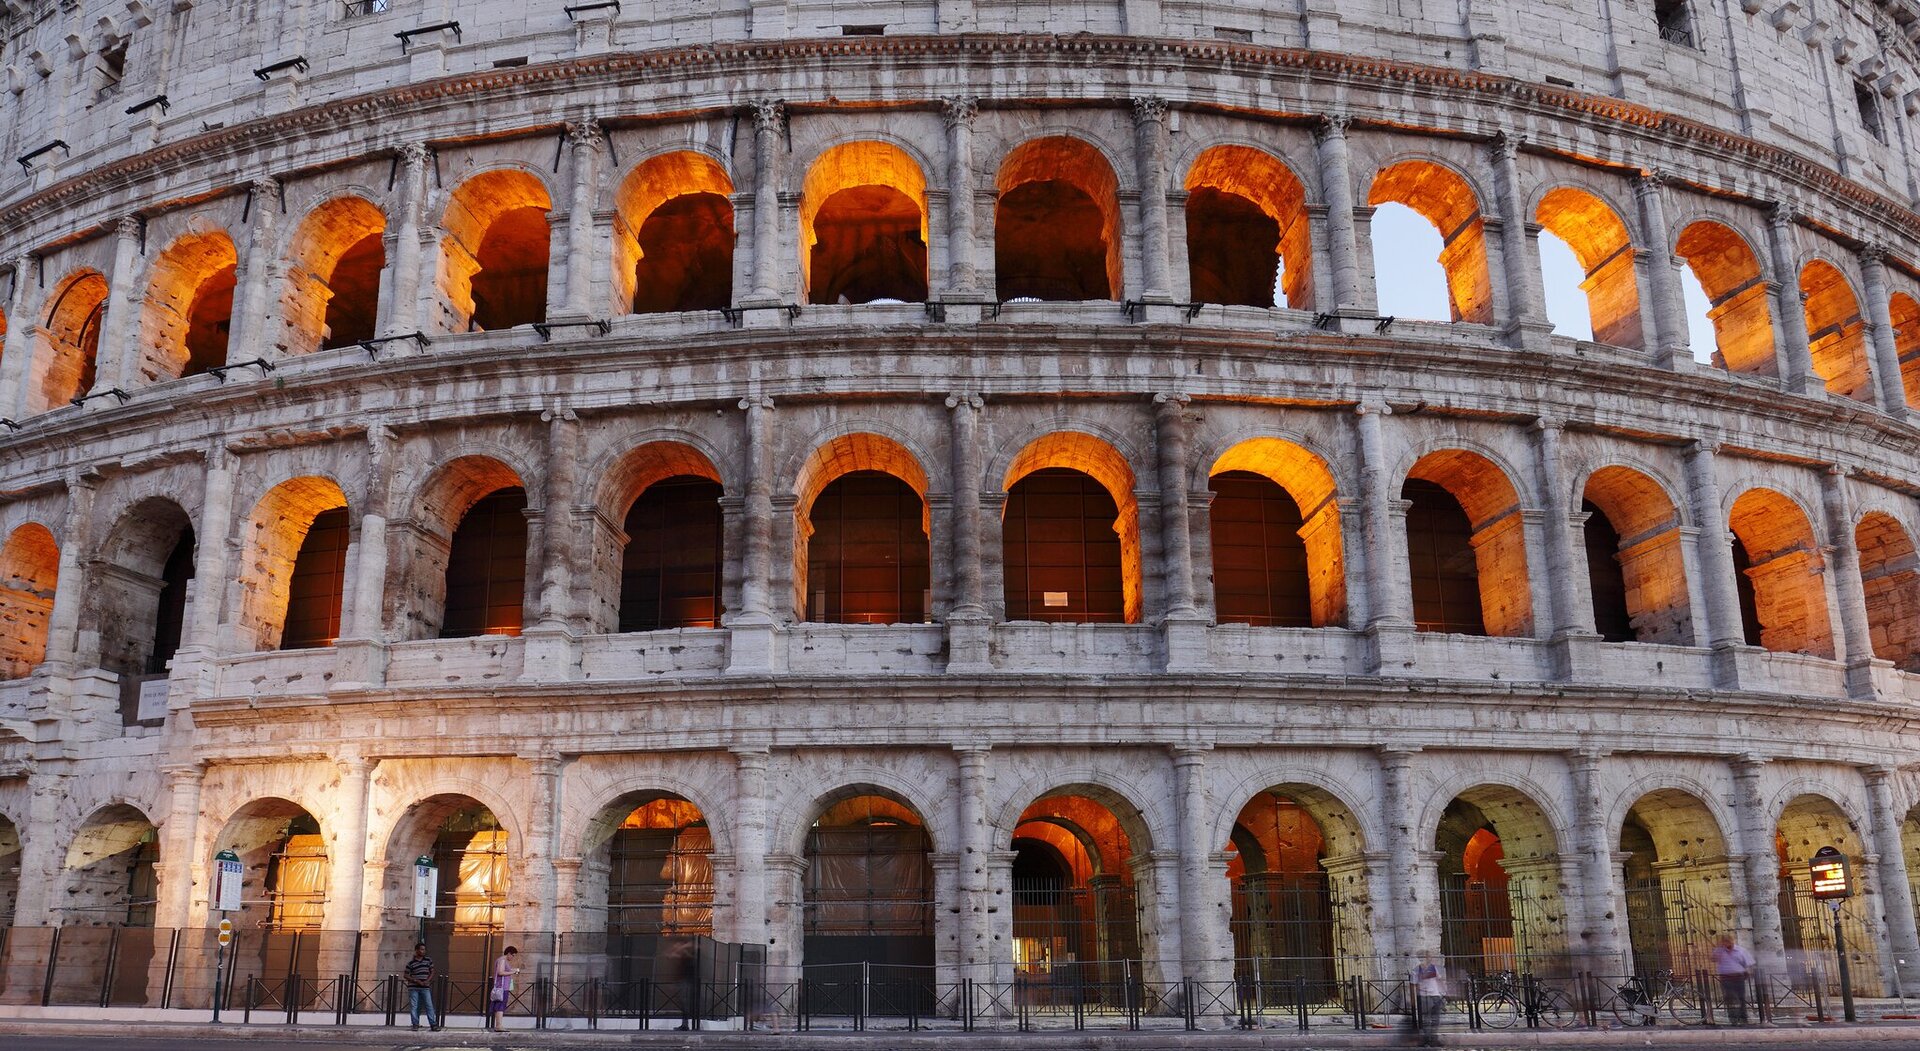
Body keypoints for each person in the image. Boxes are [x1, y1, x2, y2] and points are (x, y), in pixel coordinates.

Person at [1712, 933, 1755, 1025]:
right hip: (1726, 978)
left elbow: (1749, 963)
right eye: (1725, 942)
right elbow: (1713, 959)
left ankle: (1743, 1018)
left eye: (1728, 941)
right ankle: (1733, 1019)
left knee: (1741, 998)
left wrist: (1748, 972)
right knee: (1730, 998)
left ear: (1732, 941)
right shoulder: (1719, 951)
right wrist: (1718, 950)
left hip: (1738, 977)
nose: (1727, 944)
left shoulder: (1740, 951)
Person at [404, 942, 440, 1031]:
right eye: (421, 949)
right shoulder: (411, 963)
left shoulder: (428, 960)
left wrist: (427, 981)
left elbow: (432, 971)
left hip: (425, 987)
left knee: (429, 1005)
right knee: (414, 1006)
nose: (423, 951)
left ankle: (433, 1024)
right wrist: (416, 980)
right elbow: (406, 975)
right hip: (413, 987)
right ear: (417, 950)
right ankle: (415, 1024)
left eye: (424, 949)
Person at [1412, 953, 1445, 1047]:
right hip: (1424, 996)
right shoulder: (1417, 970)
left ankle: (1434, 1039)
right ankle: (1427, 1040)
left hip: (1435, 995)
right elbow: (1413, 985)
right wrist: (1413, 999)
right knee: (1426, 1020)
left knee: (1436, 1020)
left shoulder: (1434, 968)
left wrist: (1443, 991)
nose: (1430, 959)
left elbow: (1439, 980)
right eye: (1428, 957)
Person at [489, 945, 520, 1031]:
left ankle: (498, 1025)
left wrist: (512, 970)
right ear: (509, 953)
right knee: (500, 1005)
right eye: (513, 955)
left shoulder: (502, 960)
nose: (513, 957)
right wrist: (513, 972)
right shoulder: (502, 960)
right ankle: (499, 1026)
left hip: (501, 987)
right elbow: (500, 972)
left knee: (499, 1006)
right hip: (502, 987)